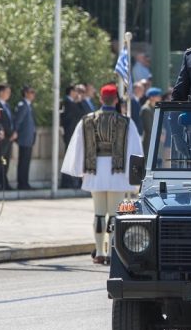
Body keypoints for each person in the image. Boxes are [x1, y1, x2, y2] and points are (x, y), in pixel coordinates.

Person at [61, 84, 143, 264]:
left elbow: (78, 147)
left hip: (95, 172)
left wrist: (80, 170)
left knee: (98, 213)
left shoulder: (87, 120)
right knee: (115, 215)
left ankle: (99, 251)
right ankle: (113, 252)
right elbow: (135, 150)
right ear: (115, 100)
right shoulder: (126, 122)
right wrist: (136, 175)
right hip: (117, 173)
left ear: (100, 99)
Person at [14, 86, 37, 190]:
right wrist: (15, 132)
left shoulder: (28, 105)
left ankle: (25, 182)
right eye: (31, 92)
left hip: (29, 138)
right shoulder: (23, 105)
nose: (33, 94)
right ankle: (22, 183)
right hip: (24, 138)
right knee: (23, 162)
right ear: (25, 93)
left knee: (26, 162)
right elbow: (18, 121)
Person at [0, 85, 14, 190]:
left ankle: (3, 182)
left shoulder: (7, 105)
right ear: (1, 92)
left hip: (9, 138)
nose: (9, 94)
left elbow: (10, 121)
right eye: (7, 92)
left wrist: (13, 133)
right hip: (2, 137)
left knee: (6, 161)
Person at [139, 87, 163, 155]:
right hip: (149, 141)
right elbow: (149, 128)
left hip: (155, 140)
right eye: (157, 96)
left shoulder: (154, 108)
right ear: (152, 97)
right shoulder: (146, 109)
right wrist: (160, 134)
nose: (160, 97)